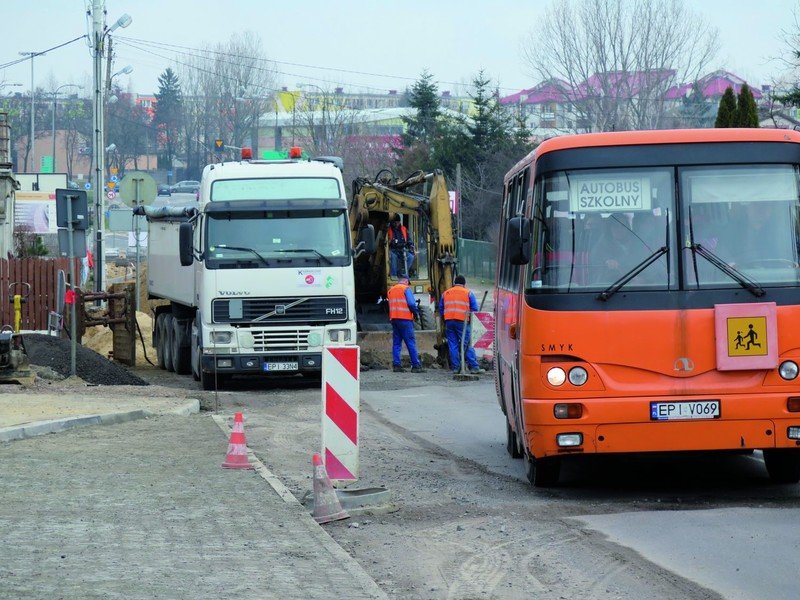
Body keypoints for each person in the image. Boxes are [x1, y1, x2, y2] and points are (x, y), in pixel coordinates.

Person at [439, 275, 485, 375]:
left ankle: (456, 368)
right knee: (467, 343)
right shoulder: (468, 293)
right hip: (463, 322)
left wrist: (445, 318)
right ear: (464, 284)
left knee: (453, 345)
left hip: (449, 322)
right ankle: (474, 366)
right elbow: (474, 309)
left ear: (454, 283)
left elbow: (441, 309)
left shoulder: (446, 293)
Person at [387, 276, 425, 373]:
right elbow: (412, 304)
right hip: (405, 319)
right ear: (406, 281)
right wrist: (415, 313)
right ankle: (416, 365)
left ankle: (396, 365)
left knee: (396, 343)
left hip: (394, 319)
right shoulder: (406, 289)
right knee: (410, 342)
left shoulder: (391, 290)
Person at [387, 214, 415, 278]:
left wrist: (411, 247)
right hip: (392, 249)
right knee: (393, 257)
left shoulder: (404, 229)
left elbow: (409, 240)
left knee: (410, 257)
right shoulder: (388, 229)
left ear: (399, 222)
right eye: (394, 222)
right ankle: (393, 276)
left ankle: (403, 273)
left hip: (402, 249)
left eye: (397, 222)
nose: (396, 224)